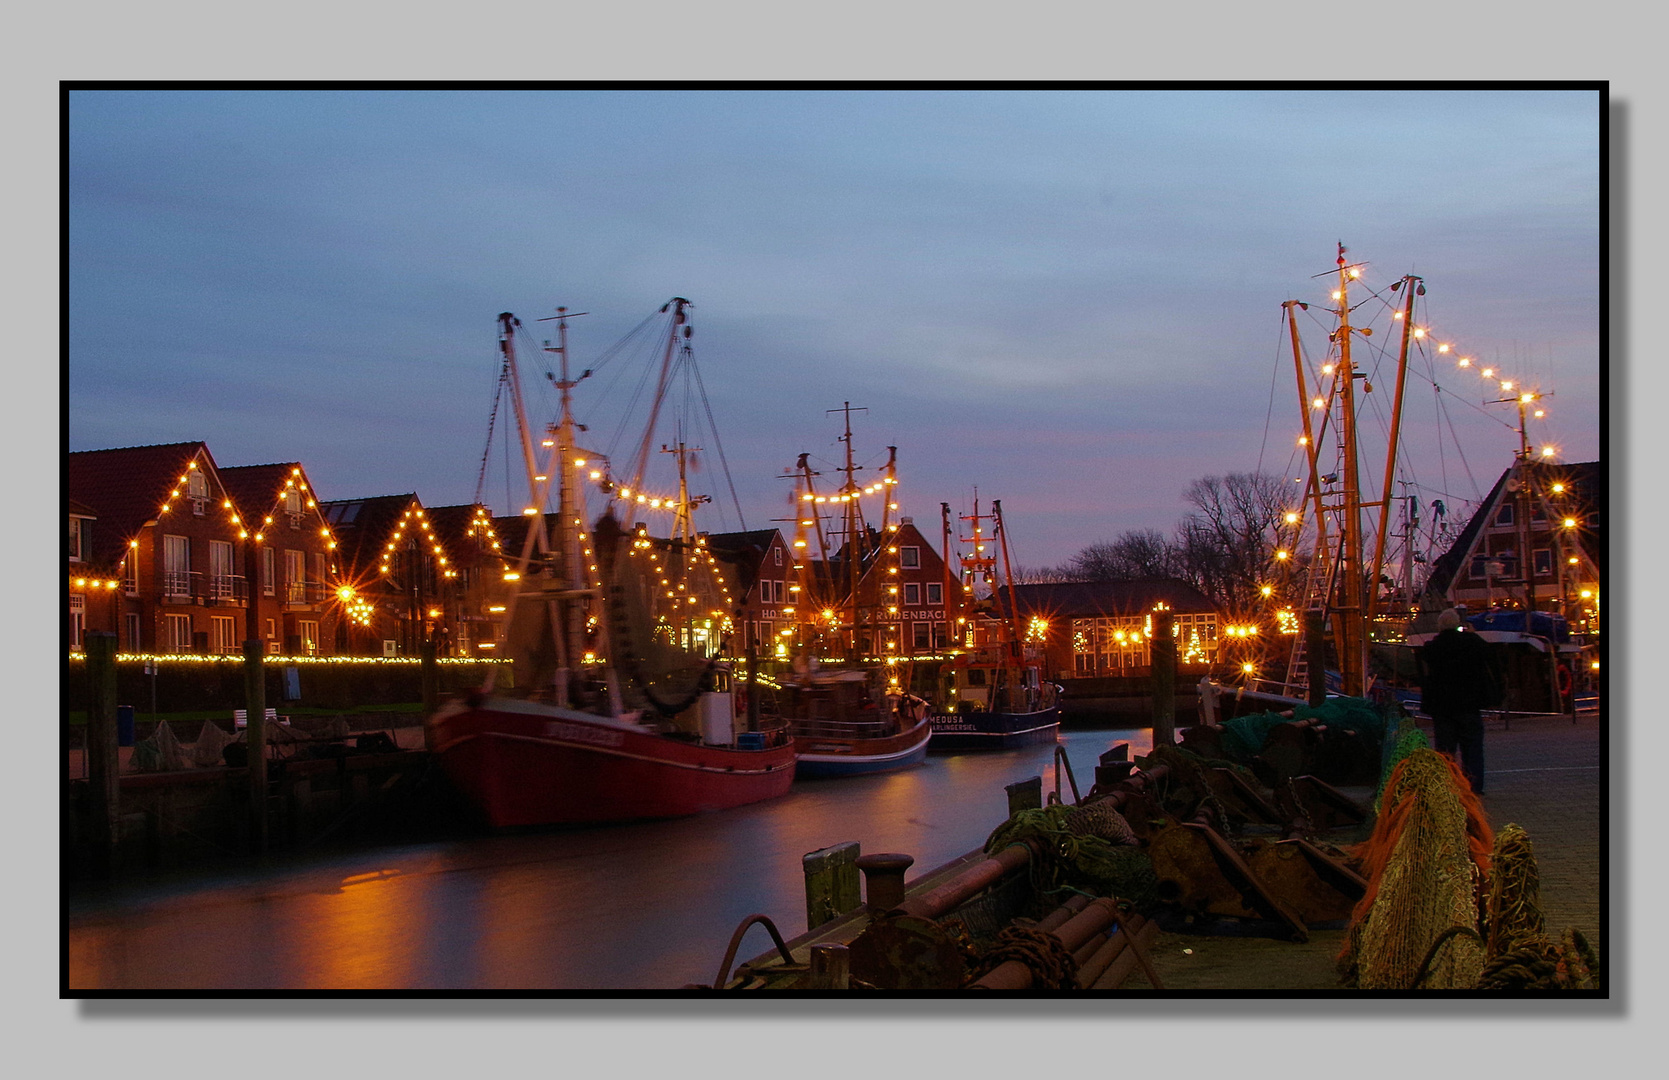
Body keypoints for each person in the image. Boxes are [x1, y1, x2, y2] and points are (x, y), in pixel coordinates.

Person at [1416, 608, 1501, 795]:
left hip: (1443, 707)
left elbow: (1424, 671)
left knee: (1445, 751)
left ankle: (1446, 786)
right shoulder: (1472, 643)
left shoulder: (1432, 648)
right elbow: (1489, 656)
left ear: (1439, 626)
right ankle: (1474, 787)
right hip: (1469, 704)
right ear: (1457, 624)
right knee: (1473, 749)